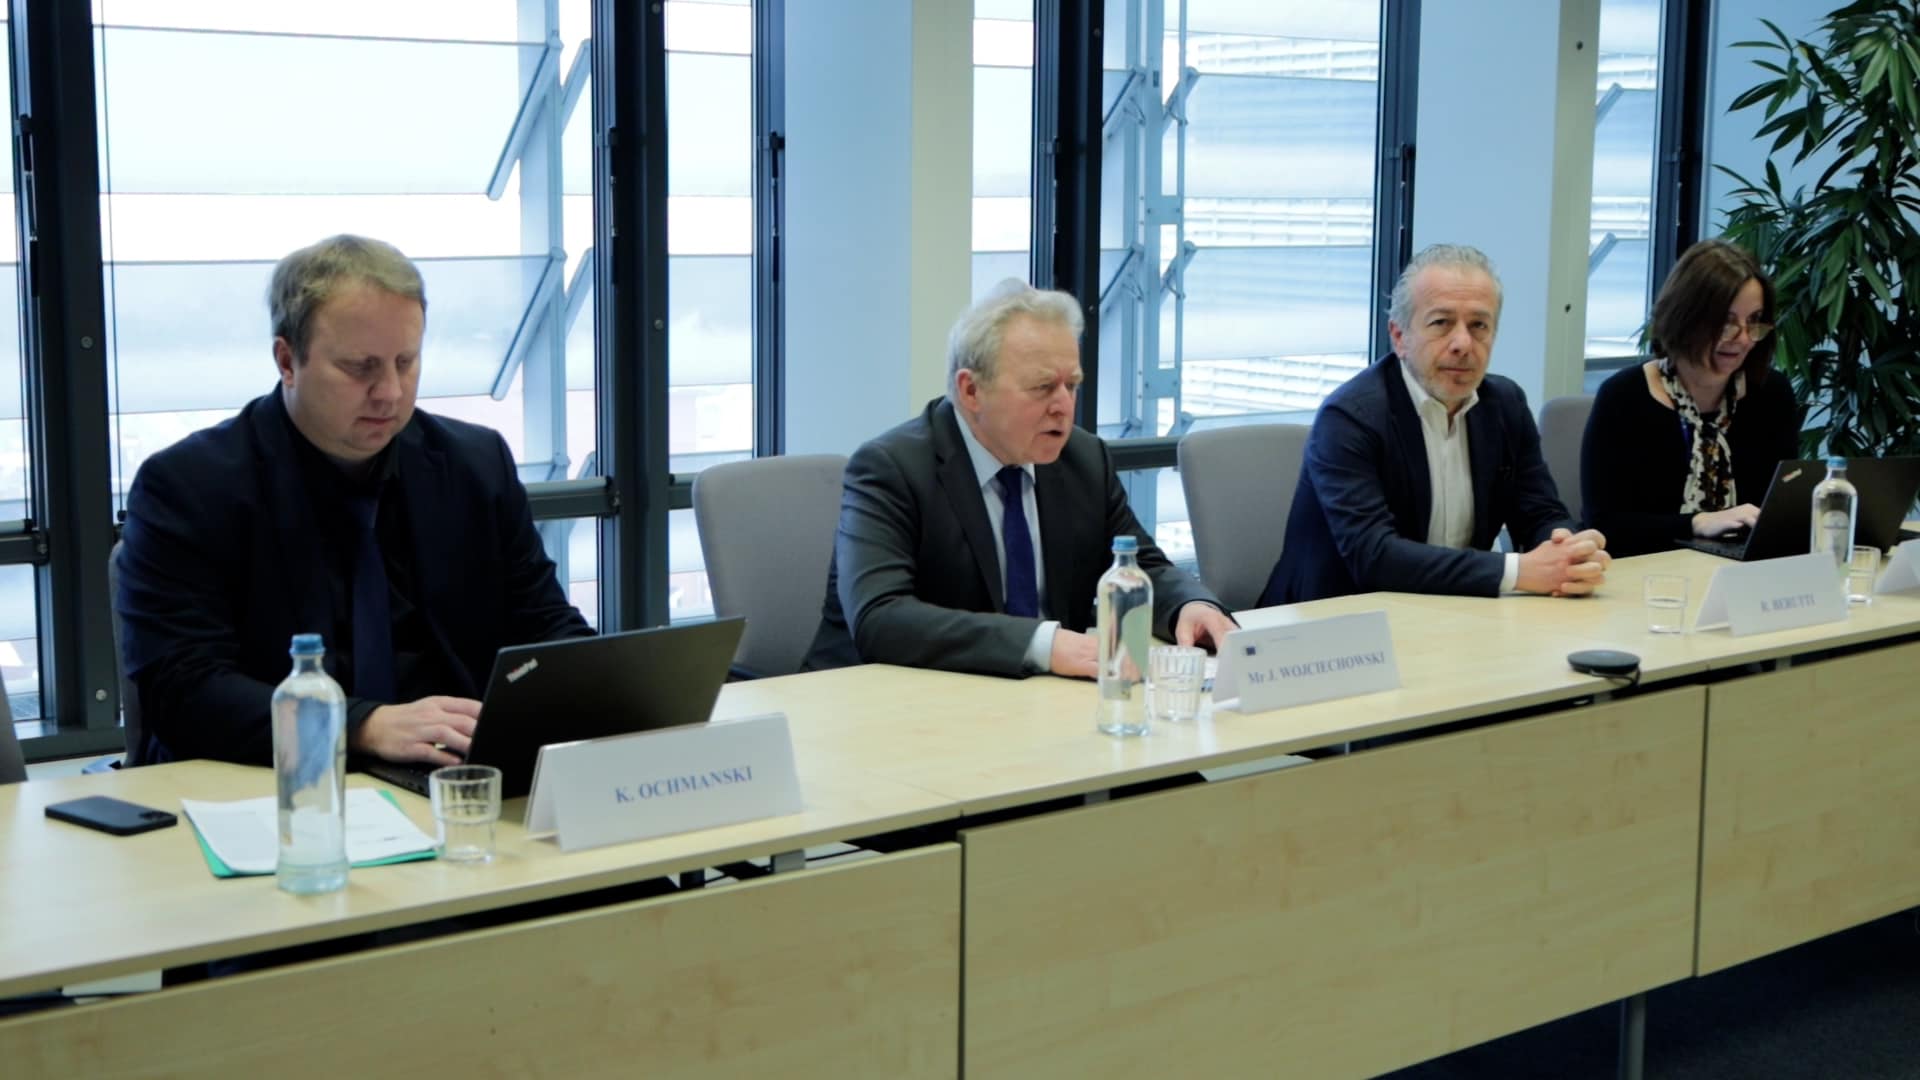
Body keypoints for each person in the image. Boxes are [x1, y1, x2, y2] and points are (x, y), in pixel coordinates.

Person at [117, 235, 592, 767]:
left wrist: (609, 687)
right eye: (360, 367)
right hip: (265, 781)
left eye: (405, 362)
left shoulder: (474, 465)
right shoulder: (188, 486)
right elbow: (183, 691)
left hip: (451, 775)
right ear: (287, 361)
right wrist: (360, 725)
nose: (390, 392)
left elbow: (543, 625)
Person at [803, 280, 1236, 677]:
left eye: (1072, 385)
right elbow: (881, 618)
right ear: (971, 391)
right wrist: (1043, 645)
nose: (1064, 406)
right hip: (886, 705)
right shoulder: (891, 468)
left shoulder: (1083, 459)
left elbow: (1140, 566)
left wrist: (1189, 605)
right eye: (1043, 387)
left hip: (1037, 703)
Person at [1259, 243, 1609, 606]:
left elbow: (1540, 512)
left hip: (1454, 611)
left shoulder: (1505, 405)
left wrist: (1567, 549)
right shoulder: (1350, 417)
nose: (1463, 343)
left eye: (1479, 326)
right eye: (1441, 323)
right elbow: (1374, 555)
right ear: (1399, 337)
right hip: (1338, 620)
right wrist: (1520, 571)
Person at [1580, 239, 1802, 557]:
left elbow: (1781, 510)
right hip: (1647, 574)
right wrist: (1696, 523)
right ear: (1686, 317)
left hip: (1744, 572)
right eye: (1727, 322)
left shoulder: (1770, 395)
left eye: (1754, 321)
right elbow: (1605, 526)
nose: (1743, 339)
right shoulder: (1624, 397)